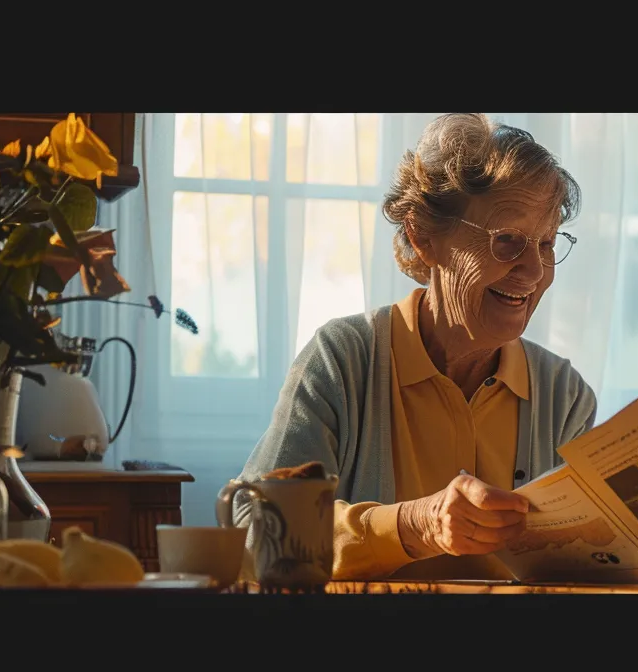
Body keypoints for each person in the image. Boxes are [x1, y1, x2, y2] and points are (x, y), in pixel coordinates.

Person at [236, 113, 598, 581]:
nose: (532, 271)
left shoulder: (563, 395)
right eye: (507, 240)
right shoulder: (343, 361)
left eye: (547, 244)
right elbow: (257, 534)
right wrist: (413, 527)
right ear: (422, 236)